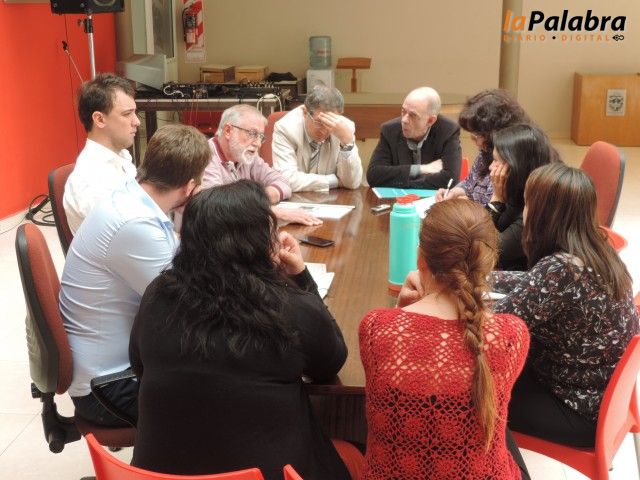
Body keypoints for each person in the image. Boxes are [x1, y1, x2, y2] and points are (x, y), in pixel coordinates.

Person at [129, 180, 360, 480]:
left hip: (153, 476)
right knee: (354, 449)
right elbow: (330, 361)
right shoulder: (287, 306)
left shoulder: (158, 293)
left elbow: (139, 365)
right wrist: (301, 277)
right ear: (260, 242)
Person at [359, 199, 530, 480]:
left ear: (420, 257)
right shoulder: (511, 335)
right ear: (488, 264)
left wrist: (400, 312)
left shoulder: (376, 327)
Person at [59, 124, 210, 427]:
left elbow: (178, 260)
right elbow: (188, 307)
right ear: (190, 186)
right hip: (108, 388)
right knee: (232, 397)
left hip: (116, 367)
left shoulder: (131, 197)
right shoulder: (135, 224)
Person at [492, 163, 639, 447]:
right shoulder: (598, 250)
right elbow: (531, 284)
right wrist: (480, 278)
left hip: (575, 409)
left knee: (469, 393)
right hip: (600, 399)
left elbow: (494, 327)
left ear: (543, 214)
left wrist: (451, 293)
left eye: (527, 203)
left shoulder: (560, 271)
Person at [202, 104, 321, 226]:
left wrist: (255, 201)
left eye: (261, 137)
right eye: (252, 134)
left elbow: (284, 183)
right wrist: (272, 211)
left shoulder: (246, 156)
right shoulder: (205, 157)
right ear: (228, 131)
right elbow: (215, 206)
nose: (258, 143)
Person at [63, 73, 140, 233]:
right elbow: (132, 234)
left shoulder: (120, 156)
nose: (137, 121)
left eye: (135, 113)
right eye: (127, 114)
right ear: (99, 119)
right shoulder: (91, 182)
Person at [435, 89, 528, 204]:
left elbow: (497, 209)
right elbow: (469, 184)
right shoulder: (485, 153)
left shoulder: (512, 164)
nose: (475, 141)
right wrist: (454, 192)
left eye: (478, 135)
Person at [486, 123, 556, 271]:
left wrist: (496, 198)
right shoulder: (516, 191)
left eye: (496, 161)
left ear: (516, 166)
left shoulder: (536, 210)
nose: (491, 167)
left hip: (519, 277)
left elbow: (482, 252)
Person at [272, 85, 363, 192]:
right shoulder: (285, 128)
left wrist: (347, 143)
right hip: (294, 199)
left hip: (332, 199)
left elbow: (352, 183)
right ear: (305, 112)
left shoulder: (344, 130)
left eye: (330, 123)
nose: (324, 131)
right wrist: (334, 181)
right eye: (319, 122)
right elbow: (285, 180)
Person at [366, 87, 461, 189]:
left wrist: (402, 179)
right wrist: (420, 169)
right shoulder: (390, 130)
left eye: (412, 115)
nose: (404, 120)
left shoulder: (448, 131)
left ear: (430, 121)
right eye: (403, 111)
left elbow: (450, 180)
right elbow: (374, 175)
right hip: (397, 198)